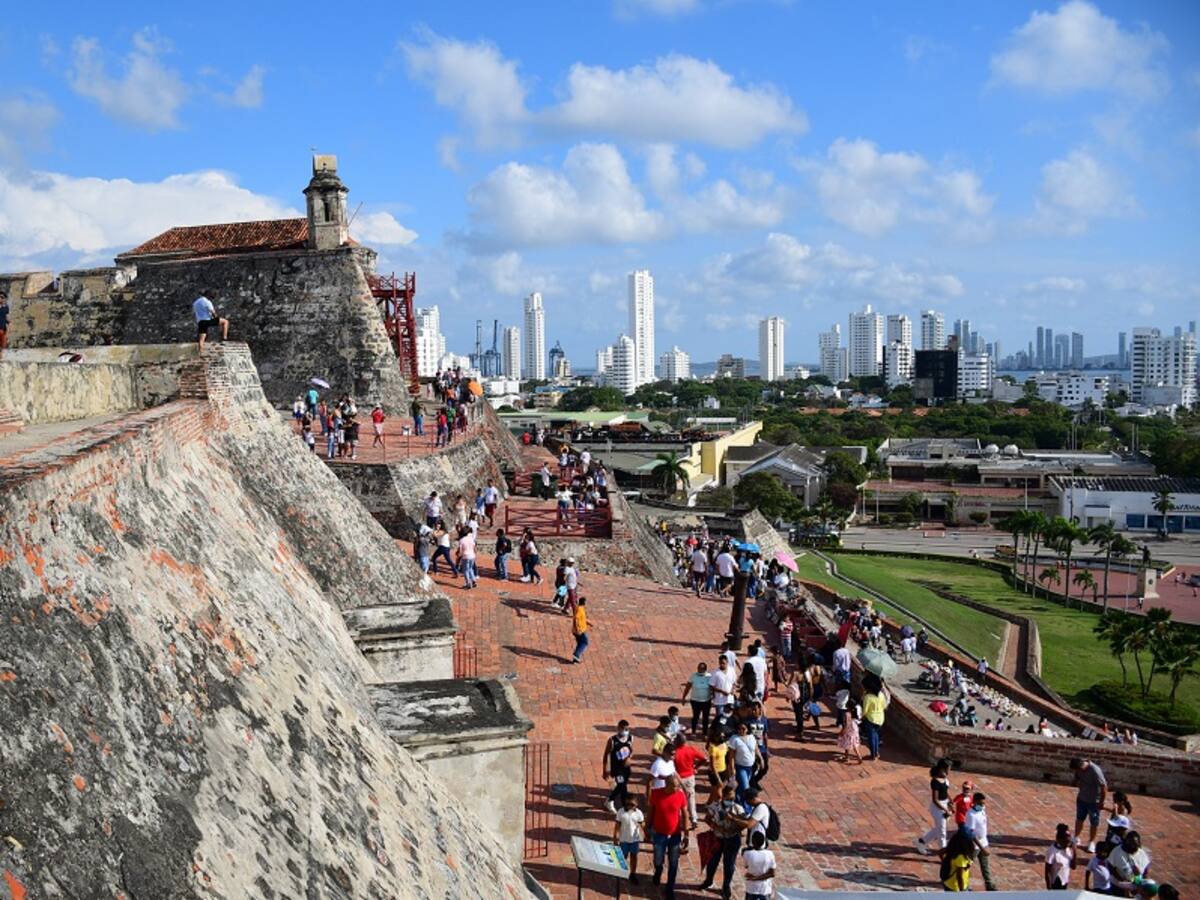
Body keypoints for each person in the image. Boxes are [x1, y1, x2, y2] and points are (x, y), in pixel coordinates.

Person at [701, 783, 751, 898]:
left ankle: (726, 886)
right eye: (728, 798)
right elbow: (707, 819)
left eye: (732, 798)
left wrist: (733, 821)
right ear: (723, 796)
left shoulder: (738, 809)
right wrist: (716, 827)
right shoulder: (715, 806)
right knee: (712, 862)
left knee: (729, 865)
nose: (731, 800)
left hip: (732, 839)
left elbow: (744, 824)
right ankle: (708, 880)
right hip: (717, 837)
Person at [650, 775, 692, 898]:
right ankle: (658, 871)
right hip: (659, 834)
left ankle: (670, 888)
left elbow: (685, 815)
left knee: (673, 863)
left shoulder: (680, 795)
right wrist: (647, 828)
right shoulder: (656, 794)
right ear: (667, 785)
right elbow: (651, 812)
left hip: (675, 835)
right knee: (658, 859)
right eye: (675, 786)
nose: (678, 788)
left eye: (679, 785)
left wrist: (686, 835)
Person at [1070, 757, 1108, 853]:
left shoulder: (1095, 770)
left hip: (1094, 801)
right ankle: (1076, 837)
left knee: (1094, 822)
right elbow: (1076, 777)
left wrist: (1101, 802)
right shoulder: (1079, 770)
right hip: (1082, 798)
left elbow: (1104, 786)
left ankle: (1091, 842)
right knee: (1079, 818)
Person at [916, 760, 952, 855]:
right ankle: (943, 852)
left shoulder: (945, 779)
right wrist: (945, 810)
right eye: (948, 768)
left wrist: (950, 802)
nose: (950, 770)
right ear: (942, 769)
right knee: (942, 832)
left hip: (945, 805)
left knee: (939, 828)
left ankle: (922, 842)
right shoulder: (935, 782)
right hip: (938, 808)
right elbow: (935, 800)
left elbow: (946, 792)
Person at [965, 791, 998, 892]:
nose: (983, 805)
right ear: (974, 802)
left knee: (985, 866)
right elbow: (971, 834)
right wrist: (982, 848)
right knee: (967, 866)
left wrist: (985, 844)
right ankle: (964, 885)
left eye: (983, 803)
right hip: (974, 846)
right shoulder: (971, 815)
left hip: (983, 842)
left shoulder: (982, 809)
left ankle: (989, 884)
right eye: (980, 803)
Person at [671, 734, 705, 828]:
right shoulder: (691, 750)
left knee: (679, 800)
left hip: (678, 779)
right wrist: (696, 768)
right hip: (690, 777)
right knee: (691, 799)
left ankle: (679, 820)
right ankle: (694, 818)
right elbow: (704, 759)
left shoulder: (675, 753)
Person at [727, 721, 761, 807]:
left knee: (741, 787)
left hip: (750, 767)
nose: (741, 731)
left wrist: (760, 759)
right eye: (739, 729)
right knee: (746, 787)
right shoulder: (734, 739)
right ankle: (747, 807)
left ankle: (738, 802)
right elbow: (731, 756)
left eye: (743, 729)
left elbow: (756, 749)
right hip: (740, 767)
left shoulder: (751, 737)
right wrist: (732, 768)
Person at [603, 720, 634, 813]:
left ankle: (621, 805)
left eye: (627, 729)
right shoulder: (612, 740)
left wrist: (629, 758)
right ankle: (612, 801)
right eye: (623, 729)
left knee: (623, 786)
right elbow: (606, 755)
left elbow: (631, 750)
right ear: (619, 728)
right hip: (616, 769)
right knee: (622, 785)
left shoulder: (630, 738)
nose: (625, 731)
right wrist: (605, 770)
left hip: (626, 769)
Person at [613, 795, 644, 885]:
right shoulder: (621, 812)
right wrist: (615, 837)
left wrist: (646, 833)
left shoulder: (639, 813)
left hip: (634, 840)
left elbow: (642, 824)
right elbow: (617, 826)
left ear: (636, 804)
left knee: (634, 856)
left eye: (632, 804)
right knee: (623, 857)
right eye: (627, 804)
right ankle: (621, 872)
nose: (629, 806)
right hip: (624, 840)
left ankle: (633, 873)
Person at [742, 829, 776, 899]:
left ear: (753, 842)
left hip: (751, 888)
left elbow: (746, 866)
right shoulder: (770, 854)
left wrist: (754, 878)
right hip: (765, 889)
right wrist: (757, 878)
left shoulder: (747, 854)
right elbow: (772, 873)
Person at [682, 662, 712, 736]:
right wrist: (684, 697)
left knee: (705, 718)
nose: (699, 670)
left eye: (701, 669)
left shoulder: (709, 677)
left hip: (706, 701)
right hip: (695, 701)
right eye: (698, 668)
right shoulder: (693, 676)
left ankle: (704, 733)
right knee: (695, 717)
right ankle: (693, 732)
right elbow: (688, 687)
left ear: (705, 669)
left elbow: (713, 687)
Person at [861, 680, 889, 761]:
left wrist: (861, 717)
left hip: (871, 719)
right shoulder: (880, 695)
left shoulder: (868, 697)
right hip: (880, 718)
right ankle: (876, 752)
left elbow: (865, 711)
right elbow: (884, 706)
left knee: (871, 738)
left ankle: (873, 755)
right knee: (876, 735)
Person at [1046, 823, 1077, 889]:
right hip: (1056, 882)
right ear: (1059, 840)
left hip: (1065, 880)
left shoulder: (1068, 849)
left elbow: (1073, 867)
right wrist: (1049, 888)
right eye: (1065, 842)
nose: (1067, 844)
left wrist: (1074, 851)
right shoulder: (1052, 851)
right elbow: (1047, 872)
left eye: (1069, 842)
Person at [836, 691, 863, 764]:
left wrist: (842, 731)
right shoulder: (855, 712)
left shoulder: (846, 714)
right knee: (853, 743)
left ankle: (849, 757)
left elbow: (846, 724)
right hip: (855, 728)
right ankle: (856, 756)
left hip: (849, 730)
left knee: (847, 744)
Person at [709, 655, 736, 722]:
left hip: (729, 699)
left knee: (730, 716)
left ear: (727, 662)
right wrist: (721, 691)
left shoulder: (731, 670)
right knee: (720, 717)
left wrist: (733, 690)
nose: (722, 664)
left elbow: (734, 682)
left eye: (723, 663)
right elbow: (711, 686)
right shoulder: (715, 673)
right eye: (720, 663)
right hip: (719, 700)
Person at [570, 597, 588, 663]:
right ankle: (576, 654)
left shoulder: (581, 609)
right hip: (579, 630)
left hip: (581, 629)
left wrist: (587, 622)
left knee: (580, 643)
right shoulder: (579, 609)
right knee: (584, 642)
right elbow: (576, 619)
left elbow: (582, 618)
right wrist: (578, 629)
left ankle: (576, 658)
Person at [0, 289, 9, 356]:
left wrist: (9, 324)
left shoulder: (6, 307)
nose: (0, 298)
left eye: (2, 297)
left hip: (3, 328)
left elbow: (6, 317)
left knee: (3, 341)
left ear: (4, 299)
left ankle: (1, 353)